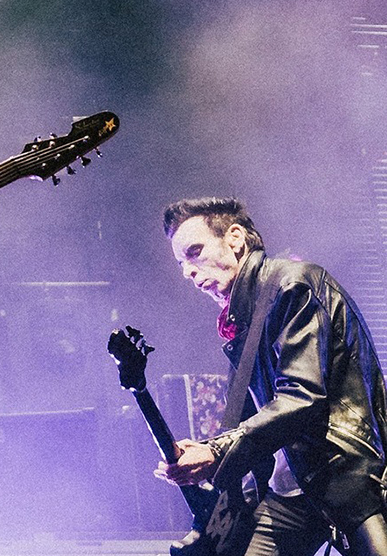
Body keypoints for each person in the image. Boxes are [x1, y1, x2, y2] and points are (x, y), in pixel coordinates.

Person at [158, 196, 387, 555]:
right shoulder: (243, 320)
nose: (188, 271)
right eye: (181, 263)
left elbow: (302, 398)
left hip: (346, 477)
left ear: (235, 238)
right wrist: (208, 450)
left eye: (195, 252)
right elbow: (252, 419)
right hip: (289, 492)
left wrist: (217, 451)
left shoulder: (292, 285)